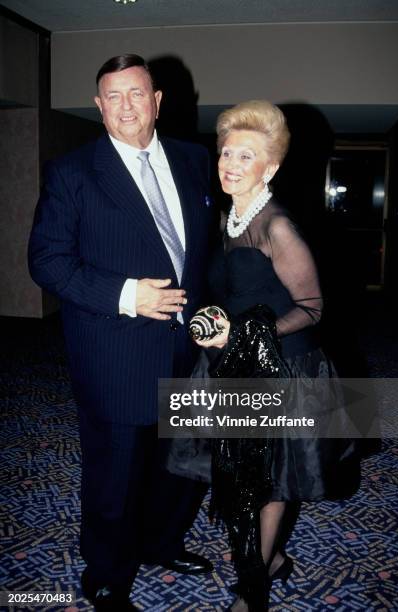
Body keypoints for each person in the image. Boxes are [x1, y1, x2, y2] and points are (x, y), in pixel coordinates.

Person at [28, 54, 214, 611]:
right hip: (116, 351)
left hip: (189, 347)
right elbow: (47, 261)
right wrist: (130, 295)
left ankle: (160, 543)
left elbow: (203, 253)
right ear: (99, 106)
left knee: (179, 465)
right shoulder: (73, 172)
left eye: (137, 93)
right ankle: (107, 571)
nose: (126, 105)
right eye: (114, 96)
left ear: (157, 101)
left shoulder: (194, 159)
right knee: (116, 474)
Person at [194, 100, 360, 612]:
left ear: (271, 167)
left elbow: (312, 308)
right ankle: (270, 560)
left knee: (268, 482)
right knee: (241, 473)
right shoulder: (228, 217)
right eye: (227, 152)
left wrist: (245, 334)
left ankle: (255, 586)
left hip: (282, 369)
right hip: (238, 365)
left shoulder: (278, 227)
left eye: (247, 156)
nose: (232, 164)